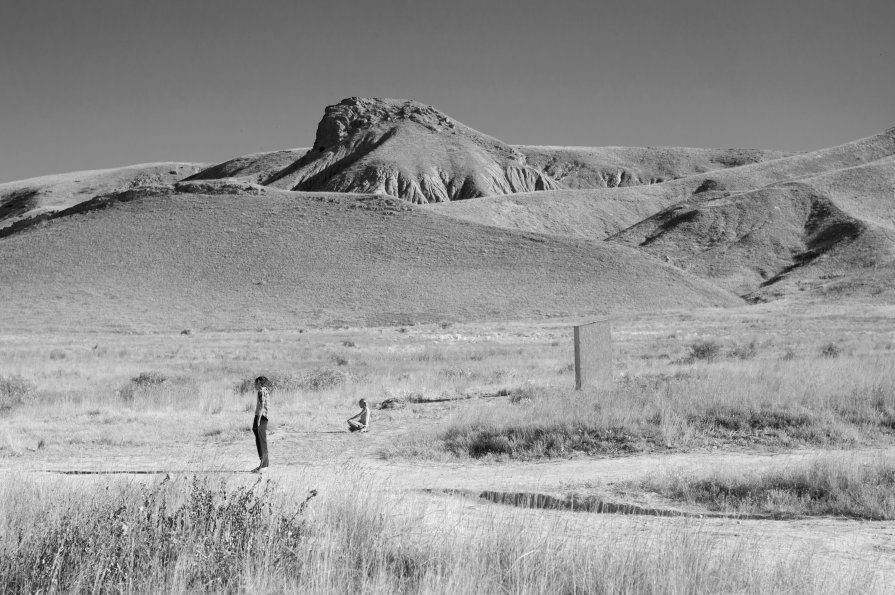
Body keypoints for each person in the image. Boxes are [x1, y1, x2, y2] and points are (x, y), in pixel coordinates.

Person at [251, 376, 270, 472]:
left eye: (255, 383)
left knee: (260, 440)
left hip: (261, 417)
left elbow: (262, 405)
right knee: (262, 440)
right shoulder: (265, 390)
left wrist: (258, 419)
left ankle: (263, 466)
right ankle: (264, 465)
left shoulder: (261, 391)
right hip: (263, 417)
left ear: (259, 383)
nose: (254, 385)